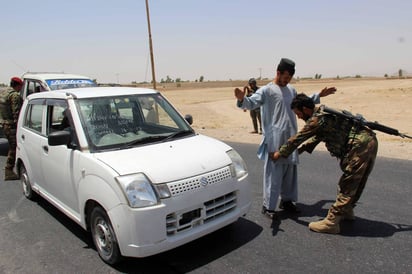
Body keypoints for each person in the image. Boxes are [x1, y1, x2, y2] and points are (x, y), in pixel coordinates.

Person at [234, 58, 336, 218]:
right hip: (274, 139)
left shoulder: (291, 90)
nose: (287, 81)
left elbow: (302, 102)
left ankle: (287, 201)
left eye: (289, 78)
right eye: (285, 77)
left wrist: (319, 95)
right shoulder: (267, 90)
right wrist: (241, 100)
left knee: (290, 170)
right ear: (278, 73)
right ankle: (268, 206)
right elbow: (251, 103)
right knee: (273, 172)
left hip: (291, 136)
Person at [271, 93, 378, 234]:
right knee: (357, 181)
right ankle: (346, 210)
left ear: (305, 109)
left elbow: (298, 138)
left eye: (299, 113)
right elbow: (318, 136)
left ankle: (332, 222)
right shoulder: (324, 113)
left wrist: (280, 153)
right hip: (369, 142)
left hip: (360, 146)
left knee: (348, 183)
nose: (299, 117)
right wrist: (301, 150)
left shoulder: (316, 119)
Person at [0, 77, 24, 180]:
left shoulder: (4, 93)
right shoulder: (14, 95)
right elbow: (17, 113)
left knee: (12, 146)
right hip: (12, 126)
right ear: (17, 85)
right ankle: (9, 171)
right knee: (14, 148)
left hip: (4, 124)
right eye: (20, 86)